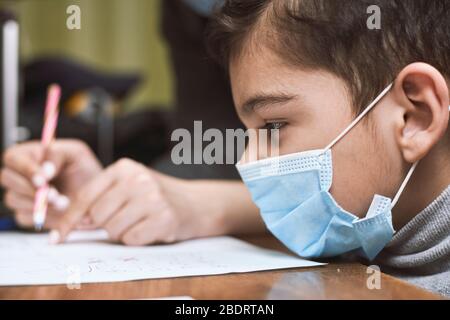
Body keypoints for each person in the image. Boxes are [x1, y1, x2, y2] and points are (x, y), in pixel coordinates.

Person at [1, 0, 450, 296]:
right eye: (249, 131)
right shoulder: (369, 224)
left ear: (415, 116)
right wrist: (99, 202)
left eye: (274, 124)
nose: (247, 161)